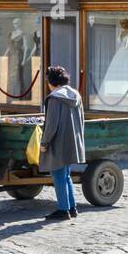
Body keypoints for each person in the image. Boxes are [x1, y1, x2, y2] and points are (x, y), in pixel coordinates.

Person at [39, 65, 86, 222]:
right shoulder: (76, 95)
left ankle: (63, 209)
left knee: (58, 176)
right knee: (66, 176)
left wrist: (44, 143)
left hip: (58, 142)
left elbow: (51, 125)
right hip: (72, 140)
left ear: (50, 81)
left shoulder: (54, 98)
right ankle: (72, 208)